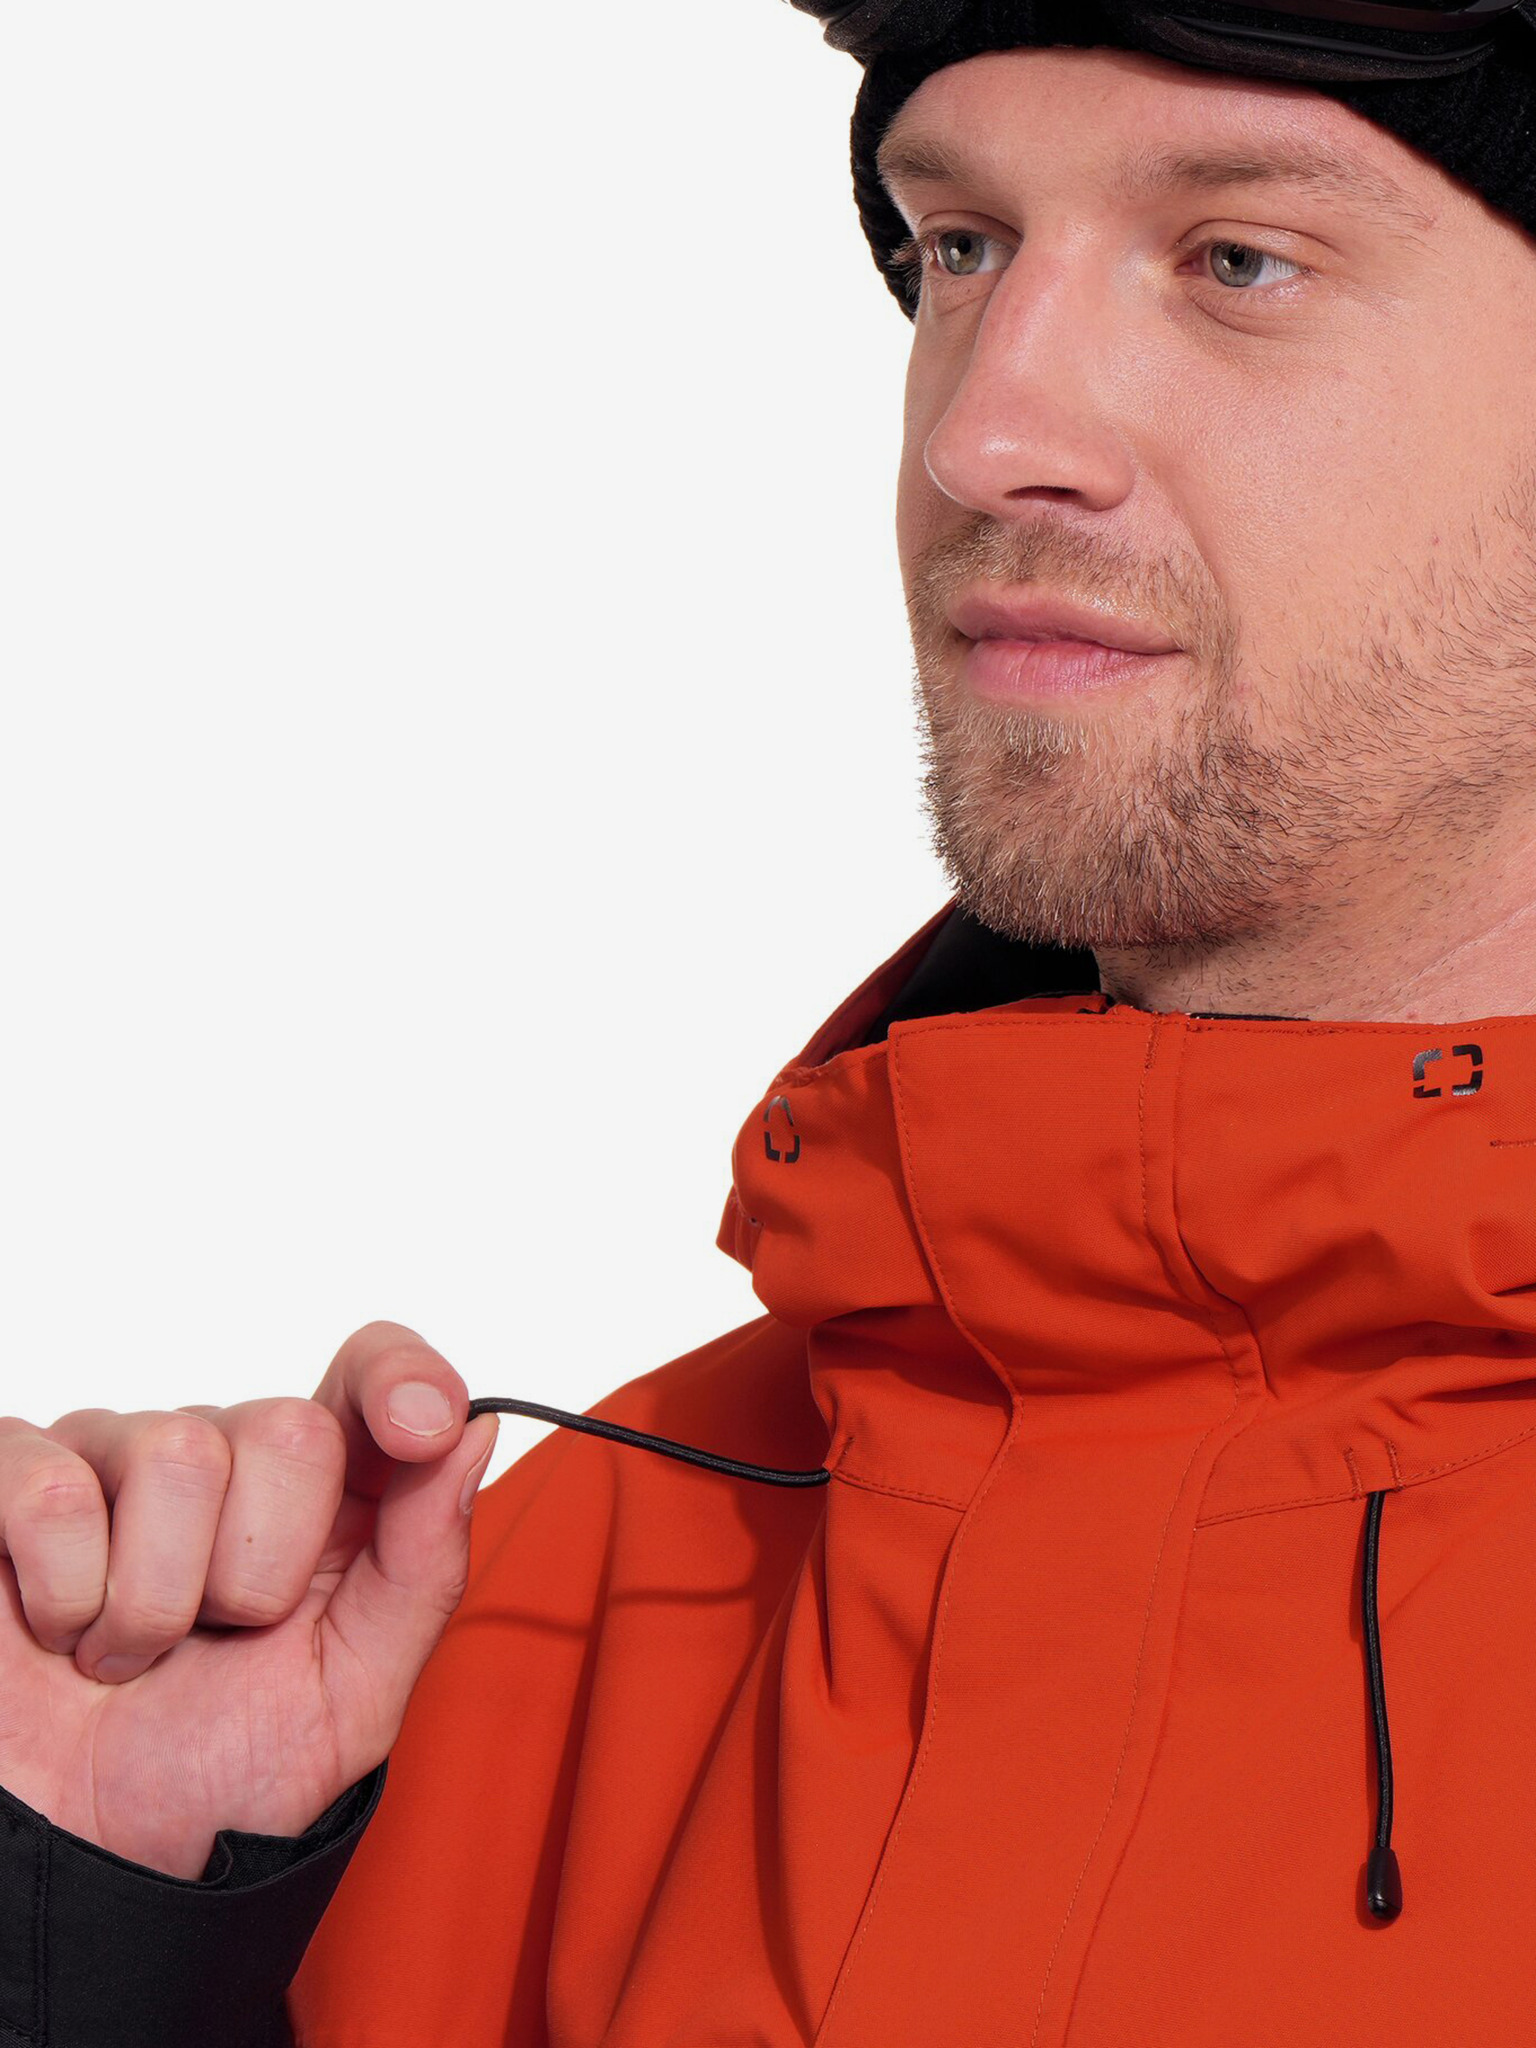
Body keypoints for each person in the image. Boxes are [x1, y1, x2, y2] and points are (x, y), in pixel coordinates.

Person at [6, 0, 1536, 2040]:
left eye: (1236, 259)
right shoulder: (532, 1612)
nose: (981, 435)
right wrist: (104, 1941)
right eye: (960, 246)